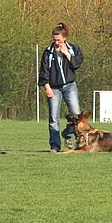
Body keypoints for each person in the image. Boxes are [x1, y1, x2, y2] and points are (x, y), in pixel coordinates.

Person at [38, 22, 83, 153]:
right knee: (53, 118)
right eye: (54, 40)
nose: (56, 42)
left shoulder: (73, 49)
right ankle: (55, 146)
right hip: (54, 88)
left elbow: (77, 64)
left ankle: (69, 135)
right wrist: (47, 87)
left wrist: (66, 53)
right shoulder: (48, 52)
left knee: (76, 115)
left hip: (70, 86)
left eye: (58, 40)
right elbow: (43, 71)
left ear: (64, 38)